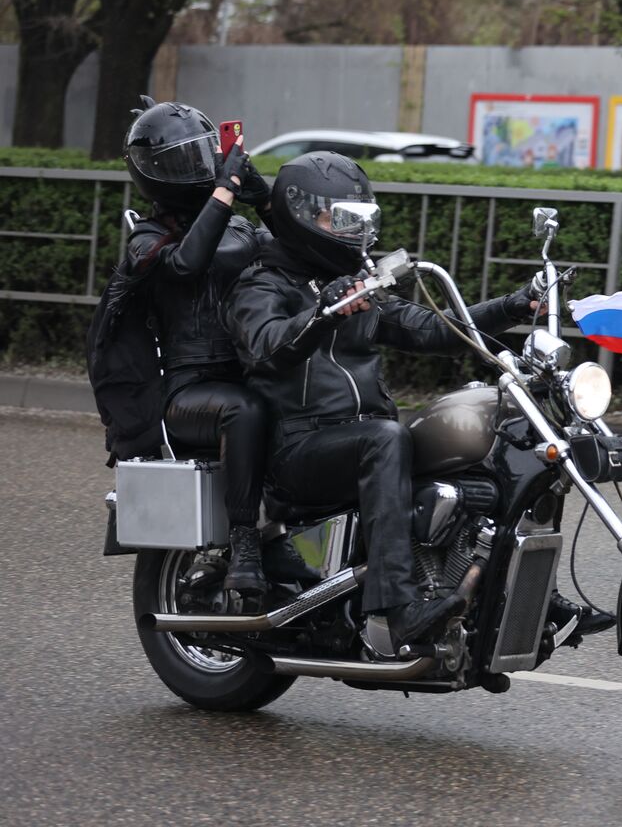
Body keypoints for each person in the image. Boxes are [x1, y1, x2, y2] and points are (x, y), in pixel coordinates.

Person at [224, 152, 541, 647]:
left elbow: (433, 328)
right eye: (340, 220)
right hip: (297, 447)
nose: (355, 233)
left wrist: (514, 305)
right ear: (303, 216)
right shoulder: (264, 283)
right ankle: (397, 606)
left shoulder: (356, 286)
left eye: (362, 221)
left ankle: (511, 593)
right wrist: (323, 313)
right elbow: (267, 347)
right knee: (387, 439)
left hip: (359, 437)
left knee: (489, 430)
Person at [120, 96, 313, 593]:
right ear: (154, 172)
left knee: (320, 403)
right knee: (244, 410)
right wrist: (225, 188)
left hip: (246, 374)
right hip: (186, 392)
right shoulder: (146, 238)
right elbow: (188, 262)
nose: (198, 166)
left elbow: (300, 255)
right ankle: (246, 542)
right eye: (182, 159)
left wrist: (262, 197)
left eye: (201, 153)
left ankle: (286, 537)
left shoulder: (240, 225)